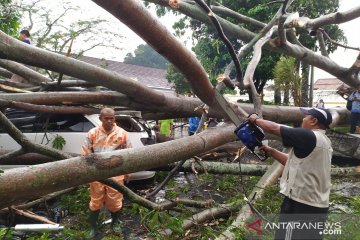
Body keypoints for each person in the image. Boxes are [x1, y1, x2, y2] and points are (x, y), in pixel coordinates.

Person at [247, 107, 333, 240]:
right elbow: (297, 163)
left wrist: (255, 119)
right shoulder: (324, 142)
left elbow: (275, 128)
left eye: (306, 116)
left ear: (314, 120)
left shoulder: (309, 136)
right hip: (316, 206)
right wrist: (272, 152)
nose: (303, 119)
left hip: (300, 204)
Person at [81, 108, 131, 238]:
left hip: (116, 173)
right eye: (106, 118)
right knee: (95, 201)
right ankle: (93, 227)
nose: (109, 121)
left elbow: (130, 154)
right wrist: (87, 173)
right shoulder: (92, 133)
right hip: (96, 174)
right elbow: (85, 154)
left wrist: (128, 172)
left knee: (115, 202)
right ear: (100, 119)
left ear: (115, 118)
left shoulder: (122, 133)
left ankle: (115, 223)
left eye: (112, 118)